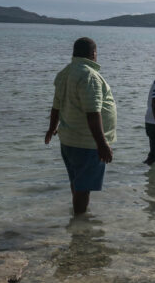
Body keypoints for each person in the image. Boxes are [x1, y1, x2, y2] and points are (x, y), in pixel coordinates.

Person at [45, 37, 117, 215]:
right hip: (87, 143)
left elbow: (56, 106)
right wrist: (102, 144)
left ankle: (76, 224)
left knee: (77, 183)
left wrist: (52, 128)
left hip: (69, 140)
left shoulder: (65, 72)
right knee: (83, 187)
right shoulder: (89, 75)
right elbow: (93, 113)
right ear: (93, 54)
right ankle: (80, 225)